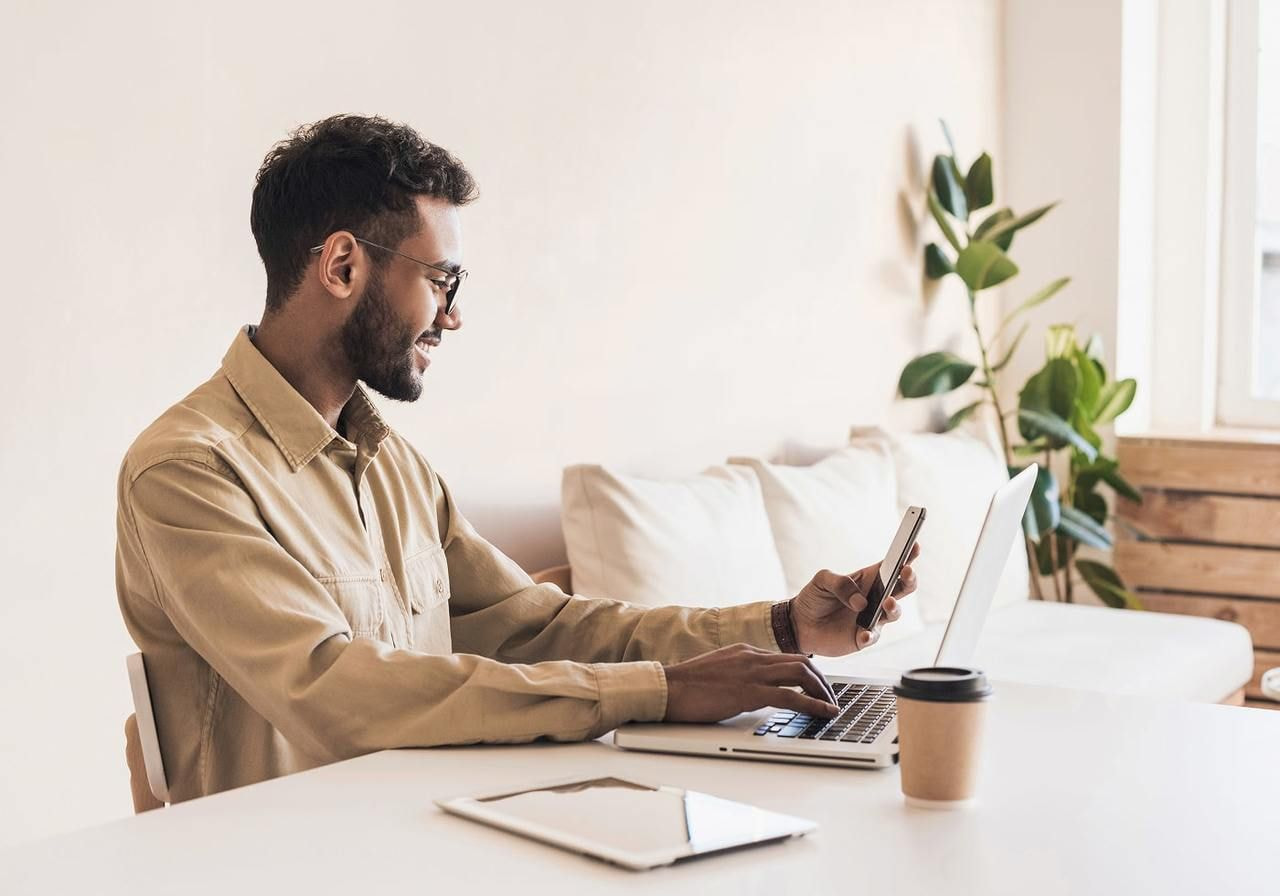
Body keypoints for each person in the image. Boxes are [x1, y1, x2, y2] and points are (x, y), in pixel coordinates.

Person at [115, 114, 920, 802]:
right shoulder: (186, 471)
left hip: (426, 828)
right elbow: (335, 688)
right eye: (442, 281)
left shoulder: (393, 467)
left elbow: (539, 627)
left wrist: (779, 628)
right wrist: (661, 695)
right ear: (342, 266)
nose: (452, 318)